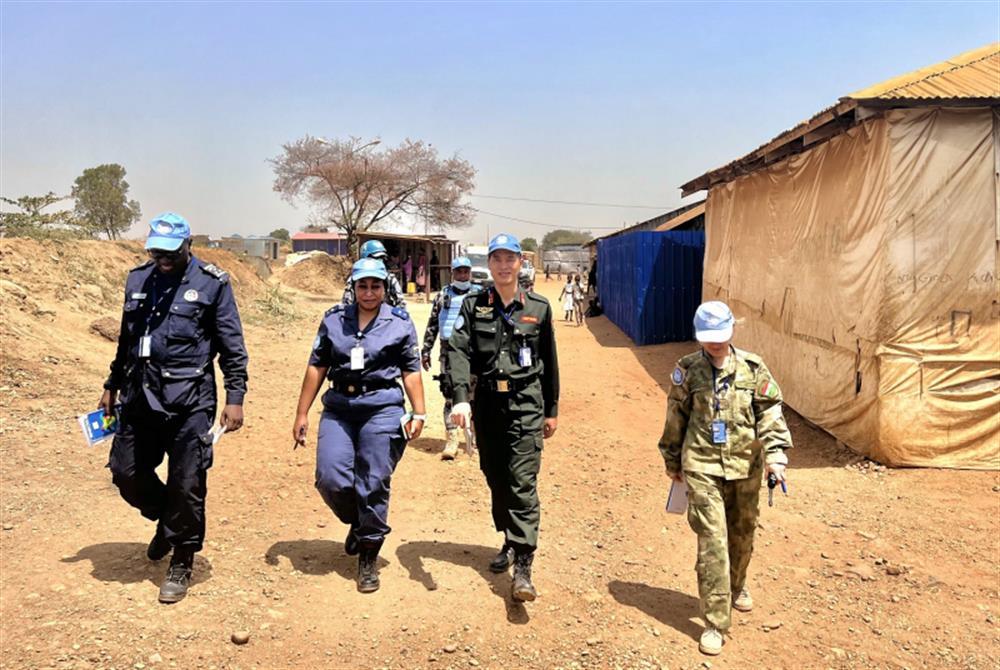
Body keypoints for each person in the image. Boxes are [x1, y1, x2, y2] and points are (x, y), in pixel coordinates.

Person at [99, 212, 248, 603]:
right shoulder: (137, 280)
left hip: (191, 401)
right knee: (125, 472)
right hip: (140, 395)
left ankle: (182, 558)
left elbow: (232, 346)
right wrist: (112, 384)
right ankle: (168, 521)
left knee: (187, 483)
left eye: (170, 252)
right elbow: (126, 341)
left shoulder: (213, 283)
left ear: (188, 246)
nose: (162, 259)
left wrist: (235, 398)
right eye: (155, 251)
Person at [657, 301, 792, 656]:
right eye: (708, 338)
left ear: (733, 329)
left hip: (746, 466)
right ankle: (716, 620)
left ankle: (737, 584)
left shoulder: (753, 367)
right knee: (713, 542)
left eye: (721, 336)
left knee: (743, 533)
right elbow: (675, 417)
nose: (715, 344)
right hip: (701, 466)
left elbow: (770, 412)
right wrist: (672, 458)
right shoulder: (687, 370)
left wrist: (776, 455)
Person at [293, 258, 426, 593]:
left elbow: (410, 370)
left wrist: (419, 412)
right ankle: (359, 520)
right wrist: (302, 413)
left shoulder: (399, 322)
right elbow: (317, 366)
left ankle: (368, 555)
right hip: (339, 407)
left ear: (385, 288)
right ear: (353, 287)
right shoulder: (334, 320)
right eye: (363, 286)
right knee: (330, 478)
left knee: (374, 480)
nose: (369, 292)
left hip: (382, 408)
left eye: (375, 286)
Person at [447, 233, 559, 602]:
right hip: (488, 407)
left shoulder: (539, 308)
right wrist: (461, 398)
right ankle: (510, 539)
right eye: (497, 258)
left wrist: (551, 409)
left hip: (526, 404)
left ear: (520, 263)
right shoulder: (474, 304)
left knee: (522, 479)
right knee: (496, 475)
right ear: (489, 264)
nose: (504, 265)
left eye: (511, 258)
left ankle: (524, 564)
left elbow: (550, 362)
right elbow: (458, 351)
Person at [421, 256, 482, 460]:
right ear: (453, 273)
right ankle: (452, 439)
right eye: (459, 272)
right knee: (449, 393)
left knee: (475, 395)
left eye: (466, 271)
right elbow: (432, 324)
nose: (463, 275)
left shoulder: (479, 295)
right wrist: (426, 350)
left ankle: (474, 438)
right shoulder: (442, 296)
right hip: (448, 351)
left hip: (473, 351)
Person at [342, 240, 406, 307]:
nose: (380, 261)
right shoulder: (354, 279)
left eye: (382, 258)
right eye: (377, 258)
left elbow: (401, 303)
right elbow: (346, 305)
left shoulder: (390, 278)